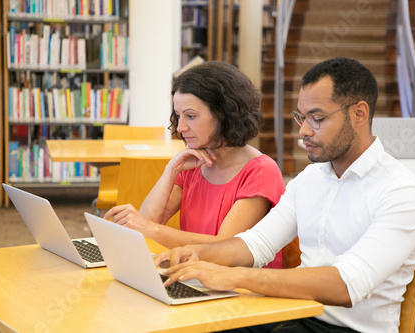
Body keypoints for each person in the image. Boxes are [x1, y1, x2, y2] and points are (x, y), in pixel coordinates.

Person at [154, 57, 415, 332]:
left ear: (359, 114)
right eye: (302, 117)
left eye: (317, 118)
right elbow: (254, 245)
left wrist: (234, 276)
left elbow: (346, 285)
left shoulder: (401, 193)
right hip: (295, 315)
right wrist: (191, 254)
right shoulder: (309, 180)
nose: (304, 131)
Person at [104, 61, 285, 268]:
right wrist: (171, 171)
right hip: (195, 278)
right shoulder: (193, 165)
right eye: (178, 115)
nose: (180, 127)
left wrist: (151, 229)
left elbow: (226, 249)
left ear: (223, 115)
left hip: (239, 289)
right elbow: (147, 223)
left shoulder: (261, 171)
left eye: (191, 116)